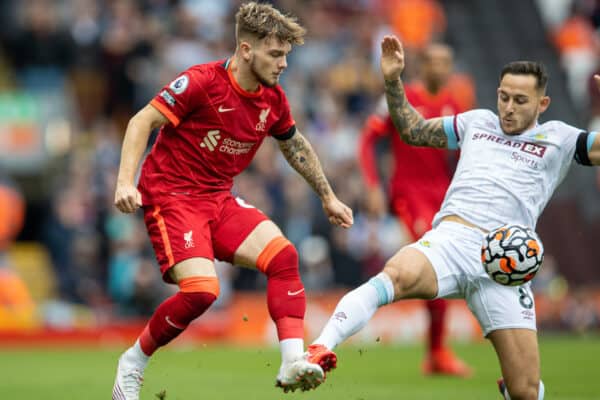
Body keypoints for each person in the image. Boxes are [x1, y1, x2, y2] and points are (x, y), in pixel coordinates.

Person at [307, 34, 600, 399]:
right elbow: (412, 130)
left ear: (543, 103)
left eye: (520, 101)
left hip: (506, 265)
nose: (508, 108)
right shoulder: (477, 122)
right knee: (395, 274)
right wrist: (393, 81)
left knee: (526, 390)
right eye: (503, 97)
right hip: (452, 241)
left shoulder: (560, 137)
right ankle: (319, 348)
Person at [111, 3, 353, 399]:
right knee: (203, 291)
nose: (283, 64)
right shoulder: (201, 82)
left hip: (218, 199)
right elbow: (142, 121)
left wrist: (328, 196)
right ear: (245, 50)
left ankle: (293, 360)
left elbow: (294, 146)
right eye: (275, 54)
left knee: (284, 257)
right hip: (172, 197)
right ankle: (132, 362)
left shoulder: (273, 99)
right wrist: (125, 182)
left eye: (286, 55)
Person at [357, 43, 472, 377]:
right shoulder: (399, 97)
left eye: (445, 62)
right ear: (422, 65)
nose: (440, 68)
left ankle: (437, 352)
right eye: (433, 61)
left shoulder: (455, 104)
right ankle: (437, 352)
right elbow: (367, 140)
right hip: (409, 193)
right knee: (435, 262)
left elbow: (466, 155)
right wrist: (373, 185)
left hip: (444, 195)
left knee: (448, 268)